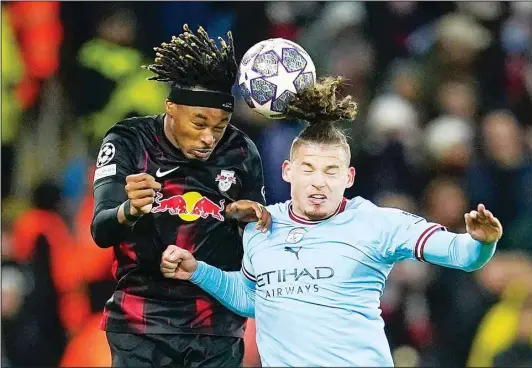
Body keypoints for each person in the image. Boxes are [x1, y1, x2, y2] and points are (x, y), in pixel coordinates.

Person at [160, 76, 504, 367]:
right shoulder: (262, 227)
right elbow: (256, 298)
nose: (318, 181)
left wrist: (481, 243)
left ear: (349, 177)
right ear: (287, 172)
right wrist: (198, 271)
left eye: (331, 171)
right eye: (308, 169)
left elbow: (461, 255)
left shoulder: (376, 224)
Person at [90, 24, 270, 367]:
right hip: (141, 324)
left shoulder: (241, 152)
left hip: (216, 329)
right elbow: (101, 230)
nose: (209, 138)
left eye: (219, 126)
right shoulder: (128, 141)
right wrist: (128, 210)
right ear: (171, 107)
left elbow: (257, 252)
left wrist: (243, 219)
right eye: (199, 123)